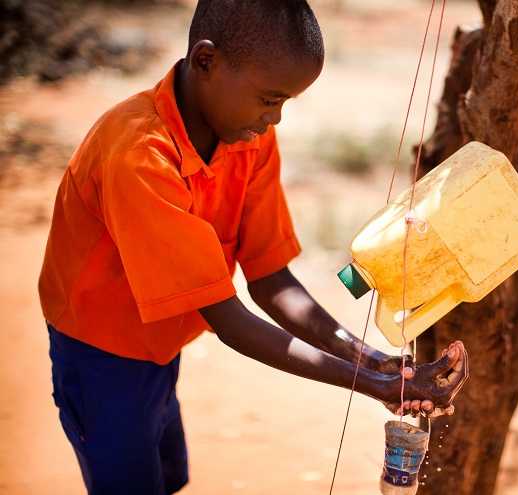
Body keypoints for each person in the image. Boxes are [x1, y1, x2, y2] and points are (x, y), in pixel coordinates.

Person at [38, 1, 469, 493]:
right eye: (269, 99)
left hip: (160, 344)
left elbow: (271, 280)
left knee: (167, 476)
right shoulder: (137, 157)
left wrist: (373, 361)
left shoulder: (246, 136)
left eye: (285, 103)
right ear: (206, 62)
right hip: (102, 355)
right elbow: (227, 319)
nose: (276, 119)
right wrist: (370, 384)